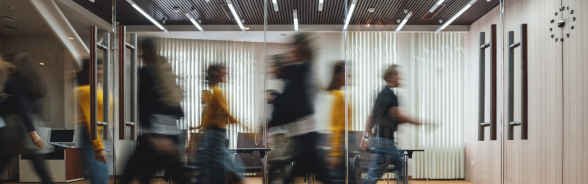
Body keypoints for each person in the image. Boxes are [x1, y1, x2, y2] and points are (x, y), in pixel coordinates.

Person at [120, 38, 188, 184]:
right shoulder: (167, 78)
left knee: (130, 174)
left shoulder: (146, 71)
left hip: (156, 137)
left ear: (146, 51)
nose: (140, 55)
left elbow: (144, 104)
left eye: (141, 51)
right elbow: (178, 112)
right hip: (172, 137)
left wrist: (154, 135)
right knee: (172, 175)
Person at [268, 33, 334, 184]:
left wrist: (272, 122)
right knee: (317, 174)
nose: (290, 51)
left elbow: (294, 106)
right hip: (304, 135)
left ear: (300, 47)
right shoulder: (308, 68)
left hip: (306, 135)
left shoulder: (302, 70)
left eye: (293, 46)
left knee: (291, 173)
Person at [359, 65, 421, 184]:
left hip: (384, 141)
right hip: (385, 142)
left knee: (400, 166)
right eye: (397, 75)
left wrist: (365, 136)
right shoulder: (389, 95)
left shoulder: (382, 93)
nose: (400, 78)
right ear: (390, 76)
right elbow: (398, 117)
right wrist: (420, 122)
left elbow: (371, 116)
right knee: (375, 174)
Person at [0, 52, 52, 184]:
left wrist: (31, 132)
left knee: (3, 161)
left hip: (17, 125)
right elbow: (33, 107)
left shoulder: (13, 82)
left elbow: (23, 107)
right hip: (33, 121)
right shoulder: (35, 81)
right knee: (40, 167)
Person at [192, 64, 247, 184]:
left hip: (213, 134)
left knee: (210, 168)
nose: (226, 73)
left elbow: (211, 118)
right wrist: (241, 124)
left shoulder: (214, 91)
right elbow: (225, 113)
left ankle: (236, 176)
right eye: (223, 71)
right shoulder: (216, 92)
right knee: (219, 165)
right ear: (216, 73)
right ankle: (237, 177)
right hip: (215, 134)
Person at [75, 58, 110, 184]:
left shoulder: (96, 89)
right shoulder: (85, 90)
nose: (100, 72)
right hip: (91, 136)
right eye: (97, 69)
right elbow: (91, 121)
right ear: (88, 72)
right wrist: (98, 147)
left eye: (101, 69)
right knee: (100, 176)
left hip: (98, 135)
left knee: (101, 175)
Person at [325, 61, 355, 184]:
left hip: (342, 147)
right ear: (338, 75)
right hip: (339, 149)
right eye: (345, 72)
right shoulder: (337, 96)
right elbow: (335, 127)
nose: (349, 75)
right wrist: (335, 153)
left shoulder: (338, 95)